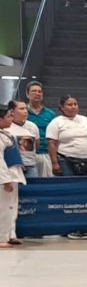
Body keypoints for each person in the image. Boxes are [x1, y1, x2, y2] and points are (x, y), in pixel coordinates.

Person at [46, 95, 87, 177]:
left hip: (86, 160)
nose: (73, 107)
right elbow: (51, 144)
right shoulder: (56, 122)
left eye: (75, 104)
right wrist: (54, 163)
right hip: (65, 161)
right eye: (70, 105)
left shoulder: (86, 120)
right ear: (62, 107)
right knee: (68, 187)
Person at [0, 102, 25, 249]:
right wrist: (5, 180)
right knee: (3, 207)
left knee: (11, 206)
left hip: (13, 174)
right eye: (9, 117)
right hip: (5, 177)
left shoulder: (6, 133)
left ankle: (11, 234)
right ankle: (1, 236)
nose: (11, 119)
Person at [25, 81, 56, 177]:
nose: (37, 94)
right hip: (27, 155)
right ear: (27, 94)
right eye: (34, 91)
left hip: (46, 154)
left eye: (40, 91)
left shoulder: (50, 114)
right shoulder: (22, 112)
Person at [7, 100, 39, 179]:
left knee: (33, 189)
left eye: (26, 109)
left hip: (31, 166)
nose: (25, 111)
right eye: (21, 109)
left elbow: (37, 144)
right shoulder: (6, 126)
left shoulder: (32, 126)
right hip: (13, 167)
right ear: (12, 111)